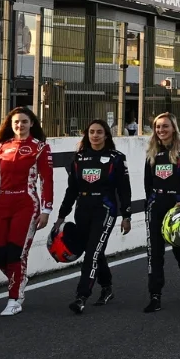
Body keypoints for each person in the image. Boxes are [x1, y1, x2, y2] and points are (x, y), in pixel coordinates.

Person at [0, 107, 53, 316]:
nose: (20, 125)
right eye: (16, 122)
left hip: (26, 204)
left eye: (24, 122)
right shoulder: (1, 148)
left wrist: (46, 209)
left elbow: (46, 181)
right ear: (11, 124)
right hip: (2, 204)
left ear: (32, 124)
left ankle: (15, 299)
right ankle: (19, 278)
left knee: (16, 254)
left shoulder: (40, 148)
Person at [55, 119, 132, 314]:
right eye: (92, 132)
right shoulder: (78, 158)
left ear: (106, 135)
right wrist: (62, 215)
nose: (95, 135)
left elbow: (124, 189)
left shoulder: (116, 158)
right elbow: (71, 189)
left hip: (105, 209)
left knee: (92, 253)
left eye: (99, 132)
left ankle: (81, 297)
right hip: (82, 208)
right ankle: (106, 287)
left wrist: (126, 215)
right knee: (94, 250)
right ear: (87, 135)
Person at [142, 112, 180, 313]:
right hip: (156, 205)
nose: (161, 130)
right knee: (154, 253)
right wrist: (149, 203)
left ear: (173, 128)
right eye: (158, 127)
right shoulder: (152, 151)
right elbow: (147, 183)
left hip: (177, 207)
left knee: (179, 248)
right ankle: (155, 295)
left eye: (165, 126)